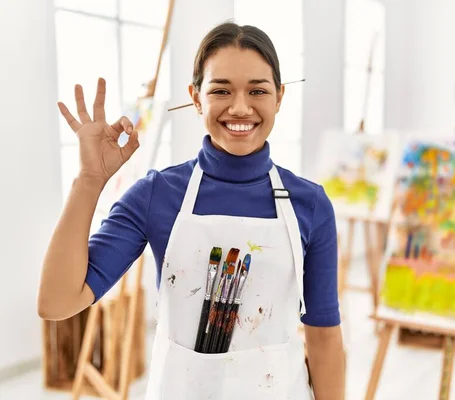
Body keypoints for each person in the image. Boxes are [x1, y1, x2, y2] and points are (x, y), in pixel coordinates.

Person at [37, 22, 345, 399]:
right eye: (221, 90)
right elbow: (56, 301)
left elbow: (324, 337)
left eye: (258, 90)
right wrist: (88, 179)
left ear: (279, 97)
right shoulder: (157, 194)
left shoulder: (310, 204)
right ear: (196, 97)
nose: (240, 107)